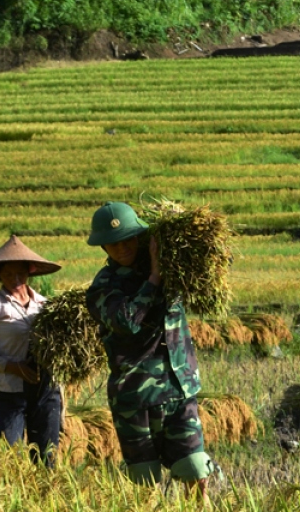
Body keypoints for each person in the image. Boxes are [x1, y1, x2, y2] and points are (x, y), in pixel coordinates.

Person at [84, 202, 214, 496]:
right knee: (145, 485)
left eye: (128, 239)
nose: (122, 248)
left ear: (141, 237)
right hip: (135, 398)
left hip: (179, 389)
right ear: (104, 247)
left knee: (197, 472)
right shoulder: (103, 287)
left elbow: (208, 273)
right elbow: (126, 321)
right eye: (113, 243)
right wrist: (154, 278)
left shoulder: (171, 266)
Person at [0, 236, 63, 467]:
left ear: (29, 271)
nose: (15, 279)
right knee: (10, 456)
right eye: (8, 274)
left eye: (20, 273)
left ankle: (45, 497)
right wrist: (12, 367)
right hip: (8, 390)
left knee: (46, 455)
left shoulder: (45, 305)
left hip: (44, 389)